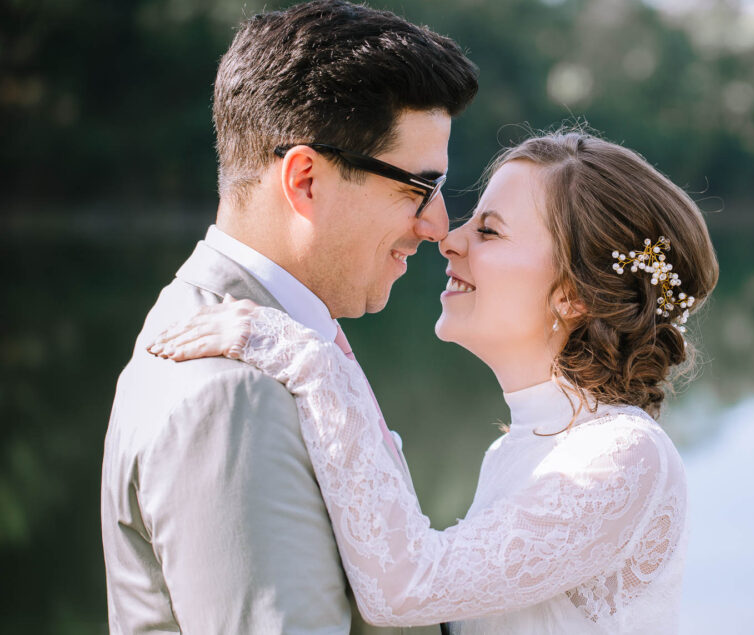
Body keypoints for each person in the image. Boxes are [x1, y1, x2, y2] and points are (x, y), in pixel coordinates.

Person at [150, 129, 720, 633]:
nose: (450, 239)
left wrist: (312, 361)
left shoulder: (625, 454)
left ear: (574, 294)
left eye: (490, 231)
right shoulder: (516, 451)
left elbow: (405, 588)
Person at [100, 0, 478, 633]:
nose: (437, 226)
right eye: (419, 187)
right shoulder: (231, 395)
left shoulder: (267, 336)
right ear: (306, 180)